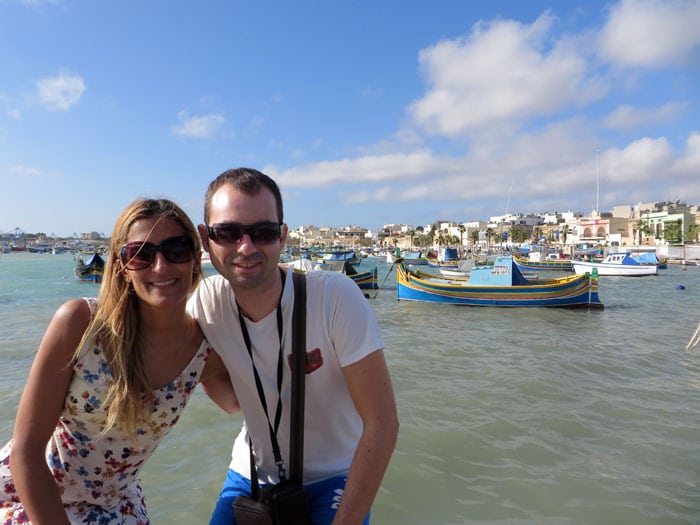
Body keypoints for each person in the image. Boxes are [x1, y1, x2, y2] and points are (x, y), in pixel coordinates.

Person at [0, 198, 238, 524]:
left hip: (116, 509)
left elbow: (245, 402)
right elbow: (25, 451)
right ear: (122, 267)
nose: (160, 266)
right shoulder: (81, 324)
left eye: (177, 249)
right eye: (140, 254)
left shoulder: (204, 353)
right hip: (33, 498)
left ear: (196, 260)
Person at [189, 167, 399, 525]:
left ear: (283, 237)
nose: (246, 246)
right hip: (249, 473)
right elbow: (219, 393)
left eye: (264, 232)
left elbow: (382, 423)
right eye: (228, 232)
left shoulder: (334, 298)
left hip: (334, 475)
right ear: (206, 239)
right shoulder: (206, 303)